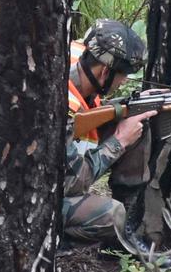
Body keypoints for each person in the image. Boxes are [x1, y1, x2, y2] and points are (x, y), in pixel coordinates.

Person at [63, 19, 160, 254]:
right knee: (111, 215)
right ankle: (55, 240)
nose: (124, 81)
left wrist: (131, 106)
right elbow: (72, 183)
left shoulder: (79, 55)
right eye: (123, 74)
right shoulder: (62, 105)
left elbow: (89, 111)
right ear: (105, 71)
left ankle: (125, 235)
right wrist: (119, 141)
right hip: (39, 201)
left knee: (137, 120)